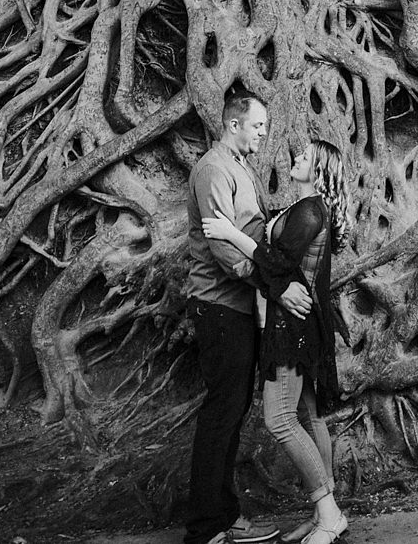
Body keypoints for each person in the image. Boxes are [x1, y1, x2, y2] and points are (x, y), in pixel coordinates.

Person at [203, 139, 352, 544]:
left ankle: (329, 514)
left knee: (280, 419)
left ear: (319, 169)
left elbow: (277, 266)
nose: (296, 157)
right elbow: (288, 266)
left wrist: (230, 233)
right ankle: (323, 513)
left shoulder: (309, 210)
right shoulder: (305, 207)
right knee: (310, 415)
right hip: (298, 322)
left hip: (293, 327)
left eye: (305, 156)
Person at [185, 90, 313, 544]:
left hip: (239, 309)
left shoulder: (242, 169)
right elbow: (224, 250)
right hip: (218, 307)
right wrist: (278, 287)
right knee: (221, 412)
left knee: (233, 410)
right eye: (258, 126)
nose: (264, 134)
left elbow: (254, 232)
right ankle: (205, 530)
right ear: (234, 124)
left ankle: (224, 516)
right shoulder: (214, 169)